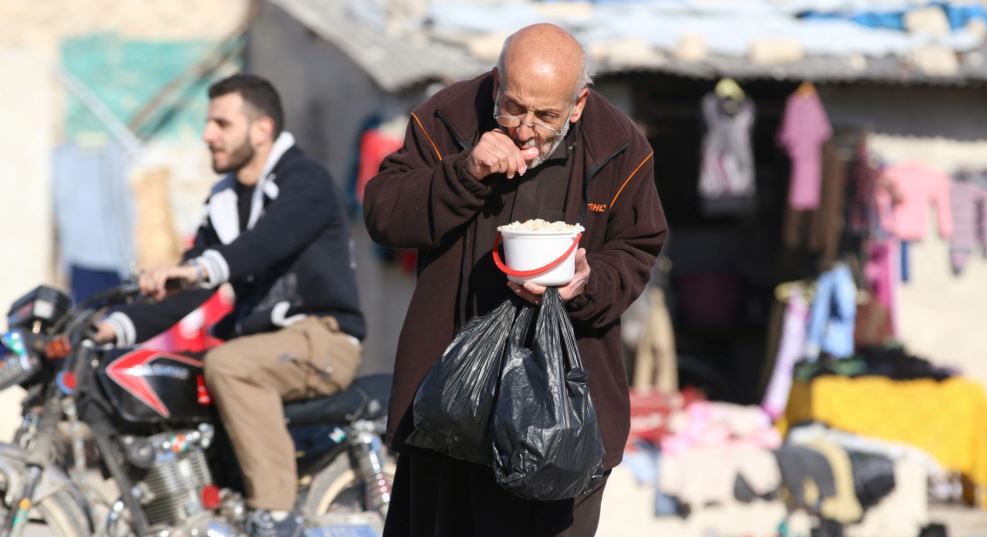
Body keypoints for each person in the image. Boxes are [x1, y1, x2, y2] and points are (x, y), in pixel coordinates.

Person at [364, 23, 668, 536]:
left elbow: (637, 249)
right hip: (450, 405)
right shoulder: (447, 118)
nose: (526, 128)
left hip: (563, 415)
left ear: (578, 105)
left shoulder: (620, 147)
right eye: (513, 107)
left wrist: (589, 282)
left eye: (547, 115)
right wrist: (465, 171)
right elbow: (385, 215)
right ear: (497, 82)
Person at [94, 73, 365, 537]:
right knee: (170, 371)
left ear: (261, 130)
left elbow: (264, 243)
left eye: (221, 123)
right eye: (207, 123)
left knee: (228, 363)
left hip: (322, 339)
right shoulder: (223, 202)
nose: (207, 135)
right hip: (260, 349)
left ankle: (276, 516)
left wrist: (201, 268)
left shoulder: (307, 181)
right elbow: (191, 288)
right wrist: (112, 327)